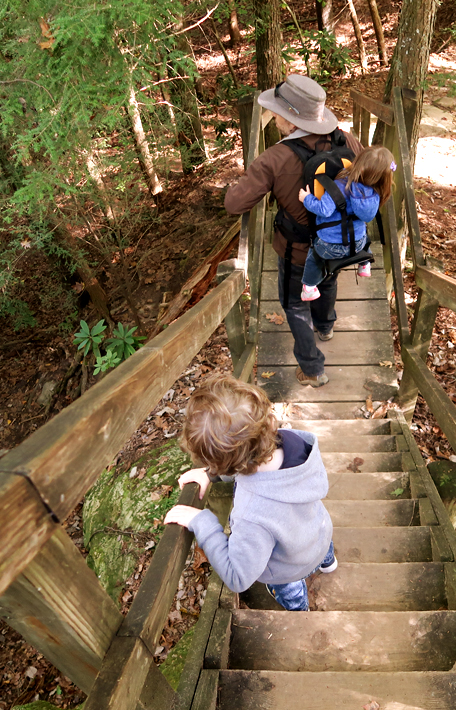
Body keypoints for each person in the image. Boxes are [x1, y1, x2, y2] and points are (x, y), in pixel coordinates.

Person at [224, 74, 364, 388]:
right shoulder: (346, 141)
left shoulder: (273, 159)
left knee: (295, 304)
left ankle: (313, 369)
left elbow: (234, 204)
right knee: (328, 279)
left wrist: (241, 180)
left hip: (297, 249)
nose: (273, 117)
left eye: (276, 113)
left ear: (288, 118)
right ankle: (326, 325)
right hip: (340, 241)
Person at [163, 373, 337, 611]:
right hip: (320, 533)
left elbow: (238, 578)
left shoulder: (252, 515)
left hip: (289, 566)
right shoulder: (297, 445)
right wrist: (210, 473)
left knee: (290, 588)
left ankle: (301, 613)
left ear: (227, 464)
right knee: (320, 548)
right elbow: (246, 460)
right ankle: (329, 563)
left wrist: (203, 522)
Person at [298, 146, 396, 301]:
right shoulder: (376, 191)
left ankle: (309, 288)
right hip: (358, 246)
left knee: (313, 255)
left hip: (330, 248)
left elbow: (324, 210)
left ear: (357, 162)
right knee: (363, 231)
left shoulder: (339, 186)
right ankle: (364, 264)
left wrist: (306, 198)